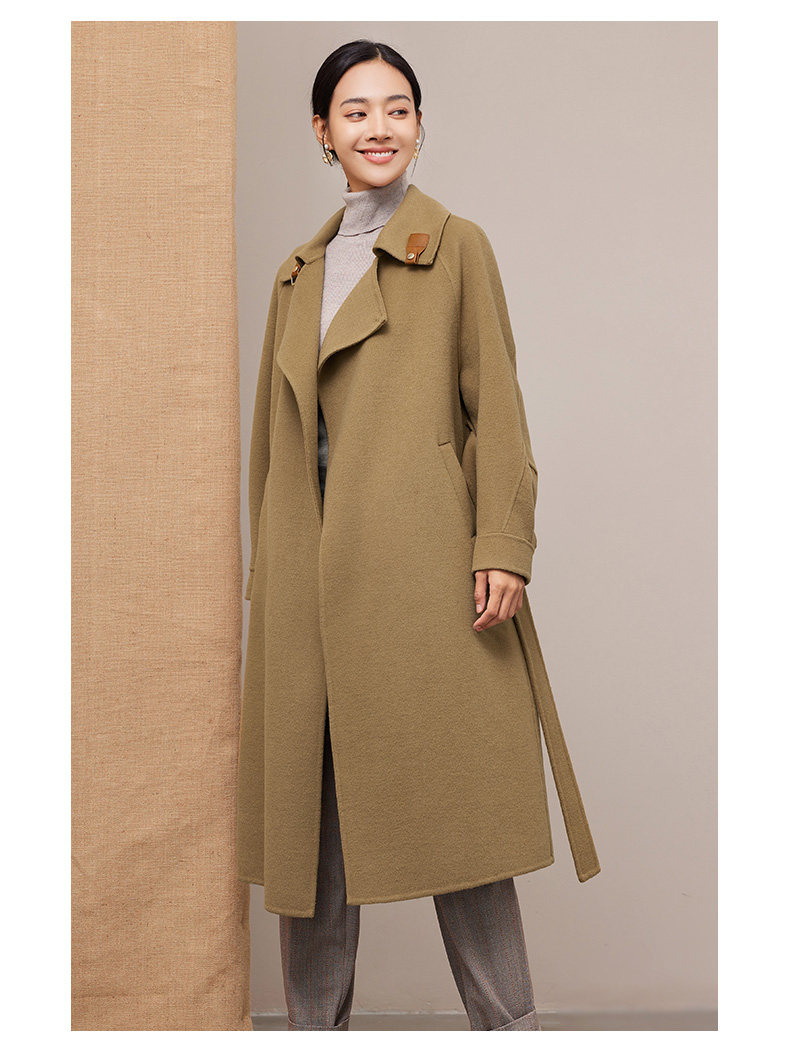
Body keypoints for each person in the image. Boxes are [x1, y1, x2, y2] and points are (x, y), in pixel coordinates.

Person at [237, 38, 600, 1032]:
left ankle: (508, 1032)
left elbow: (499, 410)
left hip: (422, 571)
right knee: (309, 828)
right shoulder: (295, 275)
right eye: (355, 111)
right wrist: (269, 577)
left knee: (458, 812)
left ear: (420, 124)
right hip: (310, 580)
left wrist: (502, 545)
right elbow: (273, 443)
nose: (379, 127)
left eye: (397, 108)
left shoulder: (455, 246)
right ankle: (314, 1035)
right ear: (323, 132)